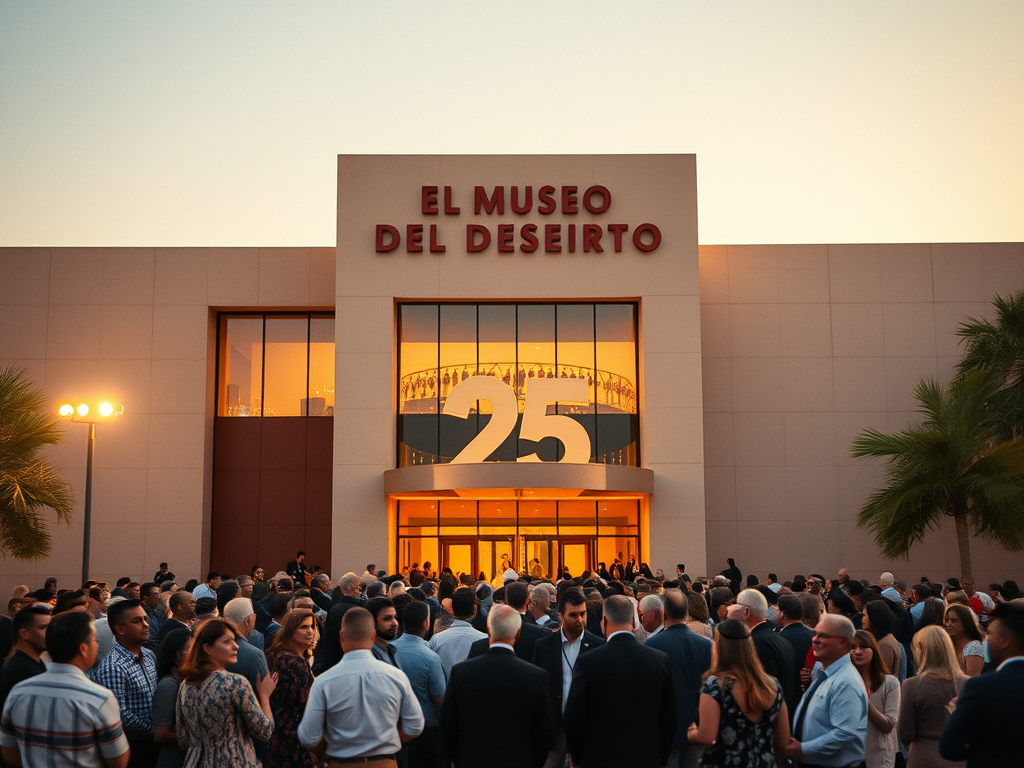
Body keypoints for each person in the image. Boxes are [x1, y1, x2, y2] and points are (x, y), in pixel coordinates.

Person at [0, 611, 130, 768]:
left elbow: (8, 752)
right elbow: (119, 760)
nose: (97, 645)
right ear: (83, 648)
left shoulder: (19, 692)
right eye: (95, 640)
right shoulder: (99, 698)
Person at [298, 607, 423, 766]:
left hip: (341, 762)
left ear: (341, 636)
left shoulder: (324, 682)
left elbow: (308, 736)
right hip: (384, 762)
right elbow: (415, 726)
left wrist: (327, 751)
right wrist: (386, 742)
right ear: (374, 636)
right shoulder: (396, 677)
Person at [563, 595, 676, 768]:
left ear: (605, 620)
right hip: (645, 758)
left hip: (599, 758)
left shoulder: (588, 662)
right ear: (633, 620)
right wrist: (660, 757)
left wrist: (578, 758)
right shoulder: (659, 660)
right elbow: (668, 716)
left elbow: (574, 717)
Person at [441, 605, 555, 768]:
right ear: (518, 633)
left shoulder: (461, 672)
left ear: (488, 630)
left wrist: (460, 759)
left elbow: (448, 726)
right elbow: (545, 732)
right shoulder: (536, 677)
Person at [686, 618, 789, 767]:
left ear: (718, 647)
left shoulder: (715, 687)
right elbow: (782, 742)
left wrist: (692, 733)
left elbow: (707, 737)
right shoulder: (772, 685)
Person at [176, 618, 276, 767]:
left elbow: (183, 738)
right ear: (207, 648)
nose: (236, 646)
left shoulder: (185, 684)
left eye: (234, 641)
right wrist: (265, 697)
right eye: (226, 642)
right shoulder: (234, 683)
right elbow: (264, 731)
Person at [940, 602, 1024, 766]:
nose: (986, 638)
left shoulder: (982, 687)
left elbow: (949, 748)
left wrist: (958, 715)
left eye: (990, 634)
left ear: (1004, 641)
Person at [532, 589, 606, 768]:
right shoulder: (544, 646)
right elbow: (536, 688)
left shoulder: (599, 646)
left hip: (587, 729)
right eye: (573, 615)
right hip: (554, 728)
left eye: (583, 614)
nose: (580, 619)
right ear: (560, 616)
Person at [785, 614, 868, 767]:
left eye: (822, 636)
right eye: (815, 633)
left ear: (843, 642)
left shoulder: (846, 681)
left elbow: (846, 734)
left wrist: (802, 749)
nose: (814, 639)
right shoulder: (825, 674)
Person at [646, 589, 712, 768]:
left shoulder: (650, 646)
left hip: (665, 731)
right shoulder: (708, 646)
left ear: (663, 614)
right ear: (687, 612)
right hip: (698, 727)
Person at [91, 599, 160, 768]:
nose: (145, 625)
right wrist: (153, 730)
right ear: (119, 629)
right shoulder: (113, 666)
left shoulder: (148, 654)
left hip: (153, 741)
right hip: (133, 746)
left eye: (145, 619)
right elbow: (118, 713)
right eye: (137, 621)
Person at [898, 624, 967, 767]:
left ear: (921, 650)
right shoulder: (968, 684)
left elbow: (905, 735)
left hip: (923, 757)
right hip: (958, 758)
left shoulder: (912, 685)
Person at [392, 600, 447, 768]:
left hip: (395, 727)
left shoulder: (388, 650)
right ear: (426, 623)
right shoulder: (430, 657)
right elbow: (440, 701)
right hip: (426, 730)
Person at [265, 608, 318, 768]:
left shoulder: (284, 656)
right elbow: (306, 705)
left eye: (312, 627)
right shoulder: (294, 662)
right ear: (290, 630)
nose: (310, 632)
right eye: (303, 627)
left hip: (282, 733)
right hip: (295, 737)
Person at [734, 589, 798, 714]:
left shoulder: (756, 642)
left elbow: (761, 692)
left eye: (735, 608)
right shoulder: (780, 639)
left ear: (746, 612)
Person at [850, 630, 900, 768]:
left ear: (874, 649)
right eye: (853, 647)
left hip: (879, 757)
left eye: (864, 646)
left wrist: (866, 703)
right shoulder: (842, 682)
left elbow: (889, 725)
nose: (858, 651)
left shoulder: (889, 683)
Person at [0, 603, 51, 713]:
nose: (50, 633)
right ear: (24, 633)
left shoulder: (33, 664)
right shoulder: (23, 671)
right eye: (43, 628)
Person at [152, 628, 191, 768]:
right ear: (176, 654)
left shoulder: (184, 682)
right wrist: (195, 739)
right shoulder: (168, 685)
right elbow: (161, 734)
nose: (194, 653)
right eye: (189, 648)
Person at [429, 587, 486, 677]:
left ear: (452, 610)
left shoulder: (436, 640)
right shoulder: (484, 640)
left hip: (445, 689)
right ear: (475, 610)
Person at [320, 572, 364, 671]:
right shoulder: (357, 609)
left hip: (333, 660)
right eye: (358, 586)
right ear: (349, 587)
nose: (360, 590)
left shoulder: (334, 608)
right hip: (350, 660)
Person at [863, 599, 903, 680]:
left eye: (865, 615)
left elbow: (880, 675)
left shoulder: (885, 645)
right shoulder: (884, 639)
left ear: (874, 618)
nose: (862, 619)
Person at [942, 603, 984, 677]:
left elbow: (973, 680)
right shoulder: (947, 645)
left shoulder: (973, 646)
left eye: (953, 621)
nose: (949, 624)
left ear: (965, 622)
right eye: (946, 620)